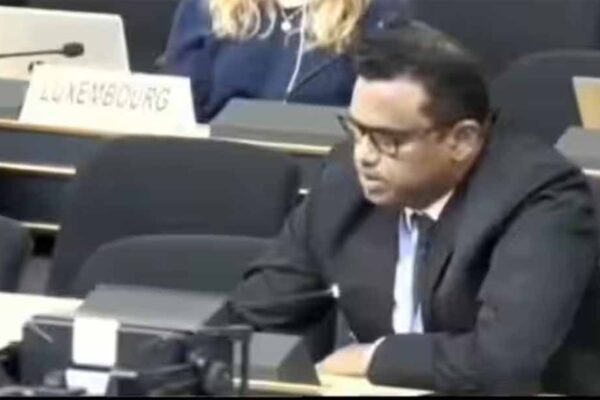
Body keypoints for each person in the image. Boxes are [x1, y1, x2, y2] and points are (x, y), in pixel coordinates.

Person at [222, 21, 600, 395]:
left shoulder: (540, 196)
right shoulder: (343, 183)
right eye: (356, 131)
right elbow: (249, 318)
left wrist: (373, 357)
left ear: (462, 140)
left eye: (386, 139)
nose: (363, 156)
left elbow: (502, 363)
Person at [161, 0, 411, 122]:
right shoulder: (206, 7)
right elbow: (176, 111)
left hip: (324, 176)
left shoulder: (376, 12)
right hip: (219, 167)